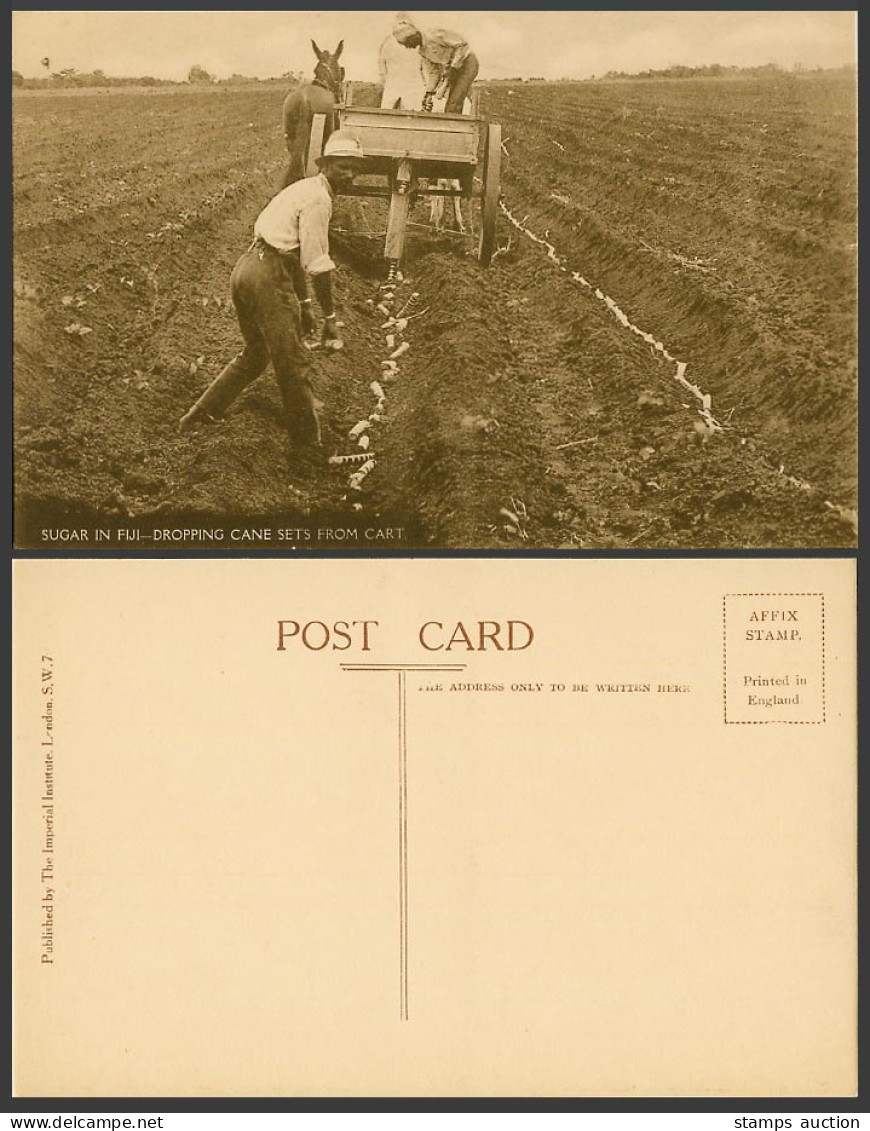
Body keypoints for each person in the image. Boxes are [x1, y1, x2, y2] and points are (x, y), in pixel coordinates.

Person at [179, 131, 366, 447]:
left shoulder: (304, 188)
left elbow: (290, 254)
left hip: (246, 270)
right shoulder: (319, 200)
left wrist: (305, 303)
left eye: (353, 168)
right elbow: (317, 264)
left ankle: (197, 416)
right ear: (328, 165)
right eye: (342, 166)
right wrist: (330, 317)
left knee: (256, 354)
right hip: (266, 276)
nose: (348, 174)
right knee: (292, 364)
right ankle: (308, 450)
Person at [391, 13, 479, 114]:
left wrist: (453, 67)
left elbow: (461, 45)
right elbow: (433, 73)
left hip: (467, 63)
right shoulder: (423, 52)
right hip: (452, 71)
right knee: (450, 102)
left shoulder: (434, 35)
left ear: (413, 36)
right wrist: (429, 93)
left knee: (454, 103)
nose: (408, 47)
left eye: (407, 43)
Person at [378, 24, 424, 110]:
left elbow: (422, 65)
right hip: (393, 81)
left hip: (411, 83)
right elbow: (382, 62)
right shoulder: (388, 42)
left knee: (410, 108)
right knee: (387, 108)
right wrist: (384, 79)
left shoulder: (416, 44)